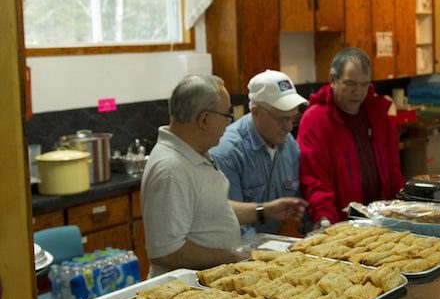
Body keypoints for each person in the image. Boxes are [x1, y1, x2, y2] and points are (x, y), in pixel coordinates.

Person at [141, 74, 306, 276]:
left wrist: (264, 210)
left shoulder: (195, 152)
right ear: (204, 119)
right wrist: (236, 257)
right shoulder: (171, 169)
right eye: (226, 115)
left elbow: (210, 210)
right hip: (186, 286)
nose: (228, 123)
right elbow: (166, 252)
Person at [297, 47, 404, 226]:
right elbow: (315, 180)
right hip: (339, 223)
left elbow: (393, 171)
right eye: (350, 84)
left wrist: (401, 208)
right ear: (333, 80)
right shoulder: (315, 120)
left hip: (382, 221)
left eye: (364, 84)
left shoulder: (379, 116)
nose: (358, 92)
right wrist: (324, 219)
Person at [211, 69, 309, 236]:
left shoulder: (289, 145)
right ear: (256, 112)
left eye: (293, 118)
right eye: (282, 119)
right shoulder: (228, 153)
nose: (288, 127)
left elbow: (300, 203)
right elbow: (231, 224)